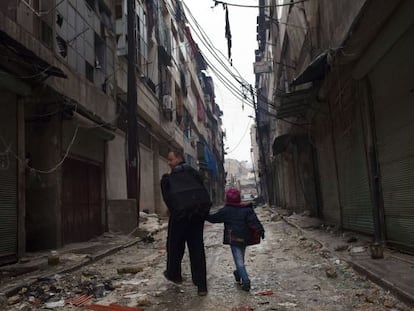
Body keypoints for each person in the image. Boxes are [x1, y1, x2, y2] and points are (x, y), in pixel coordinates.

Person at [160, 150, 211, 296]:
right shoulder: (194, 173)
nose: (169, 163)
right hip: (197, 216)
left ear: (179, 159)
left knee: (175, 246)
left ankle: (174, 274)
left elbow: (168, 200)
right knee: (197, 249)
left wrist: (176, 212)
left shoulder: (168, 179)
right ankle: (201, 286)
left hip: (179, 217)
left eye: (171, 159)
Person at [206, 187, 265, 291]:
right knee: (240, 258)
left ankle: (246, 281)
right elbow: (254, 222)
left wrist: (204, 211)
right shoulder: (246, 209)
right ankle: (238, 273)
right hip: (245, 238)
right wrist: (261, 231)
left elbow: (213, 218)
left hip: (233, 239)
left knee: (239, 261)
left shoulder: (226, 210)